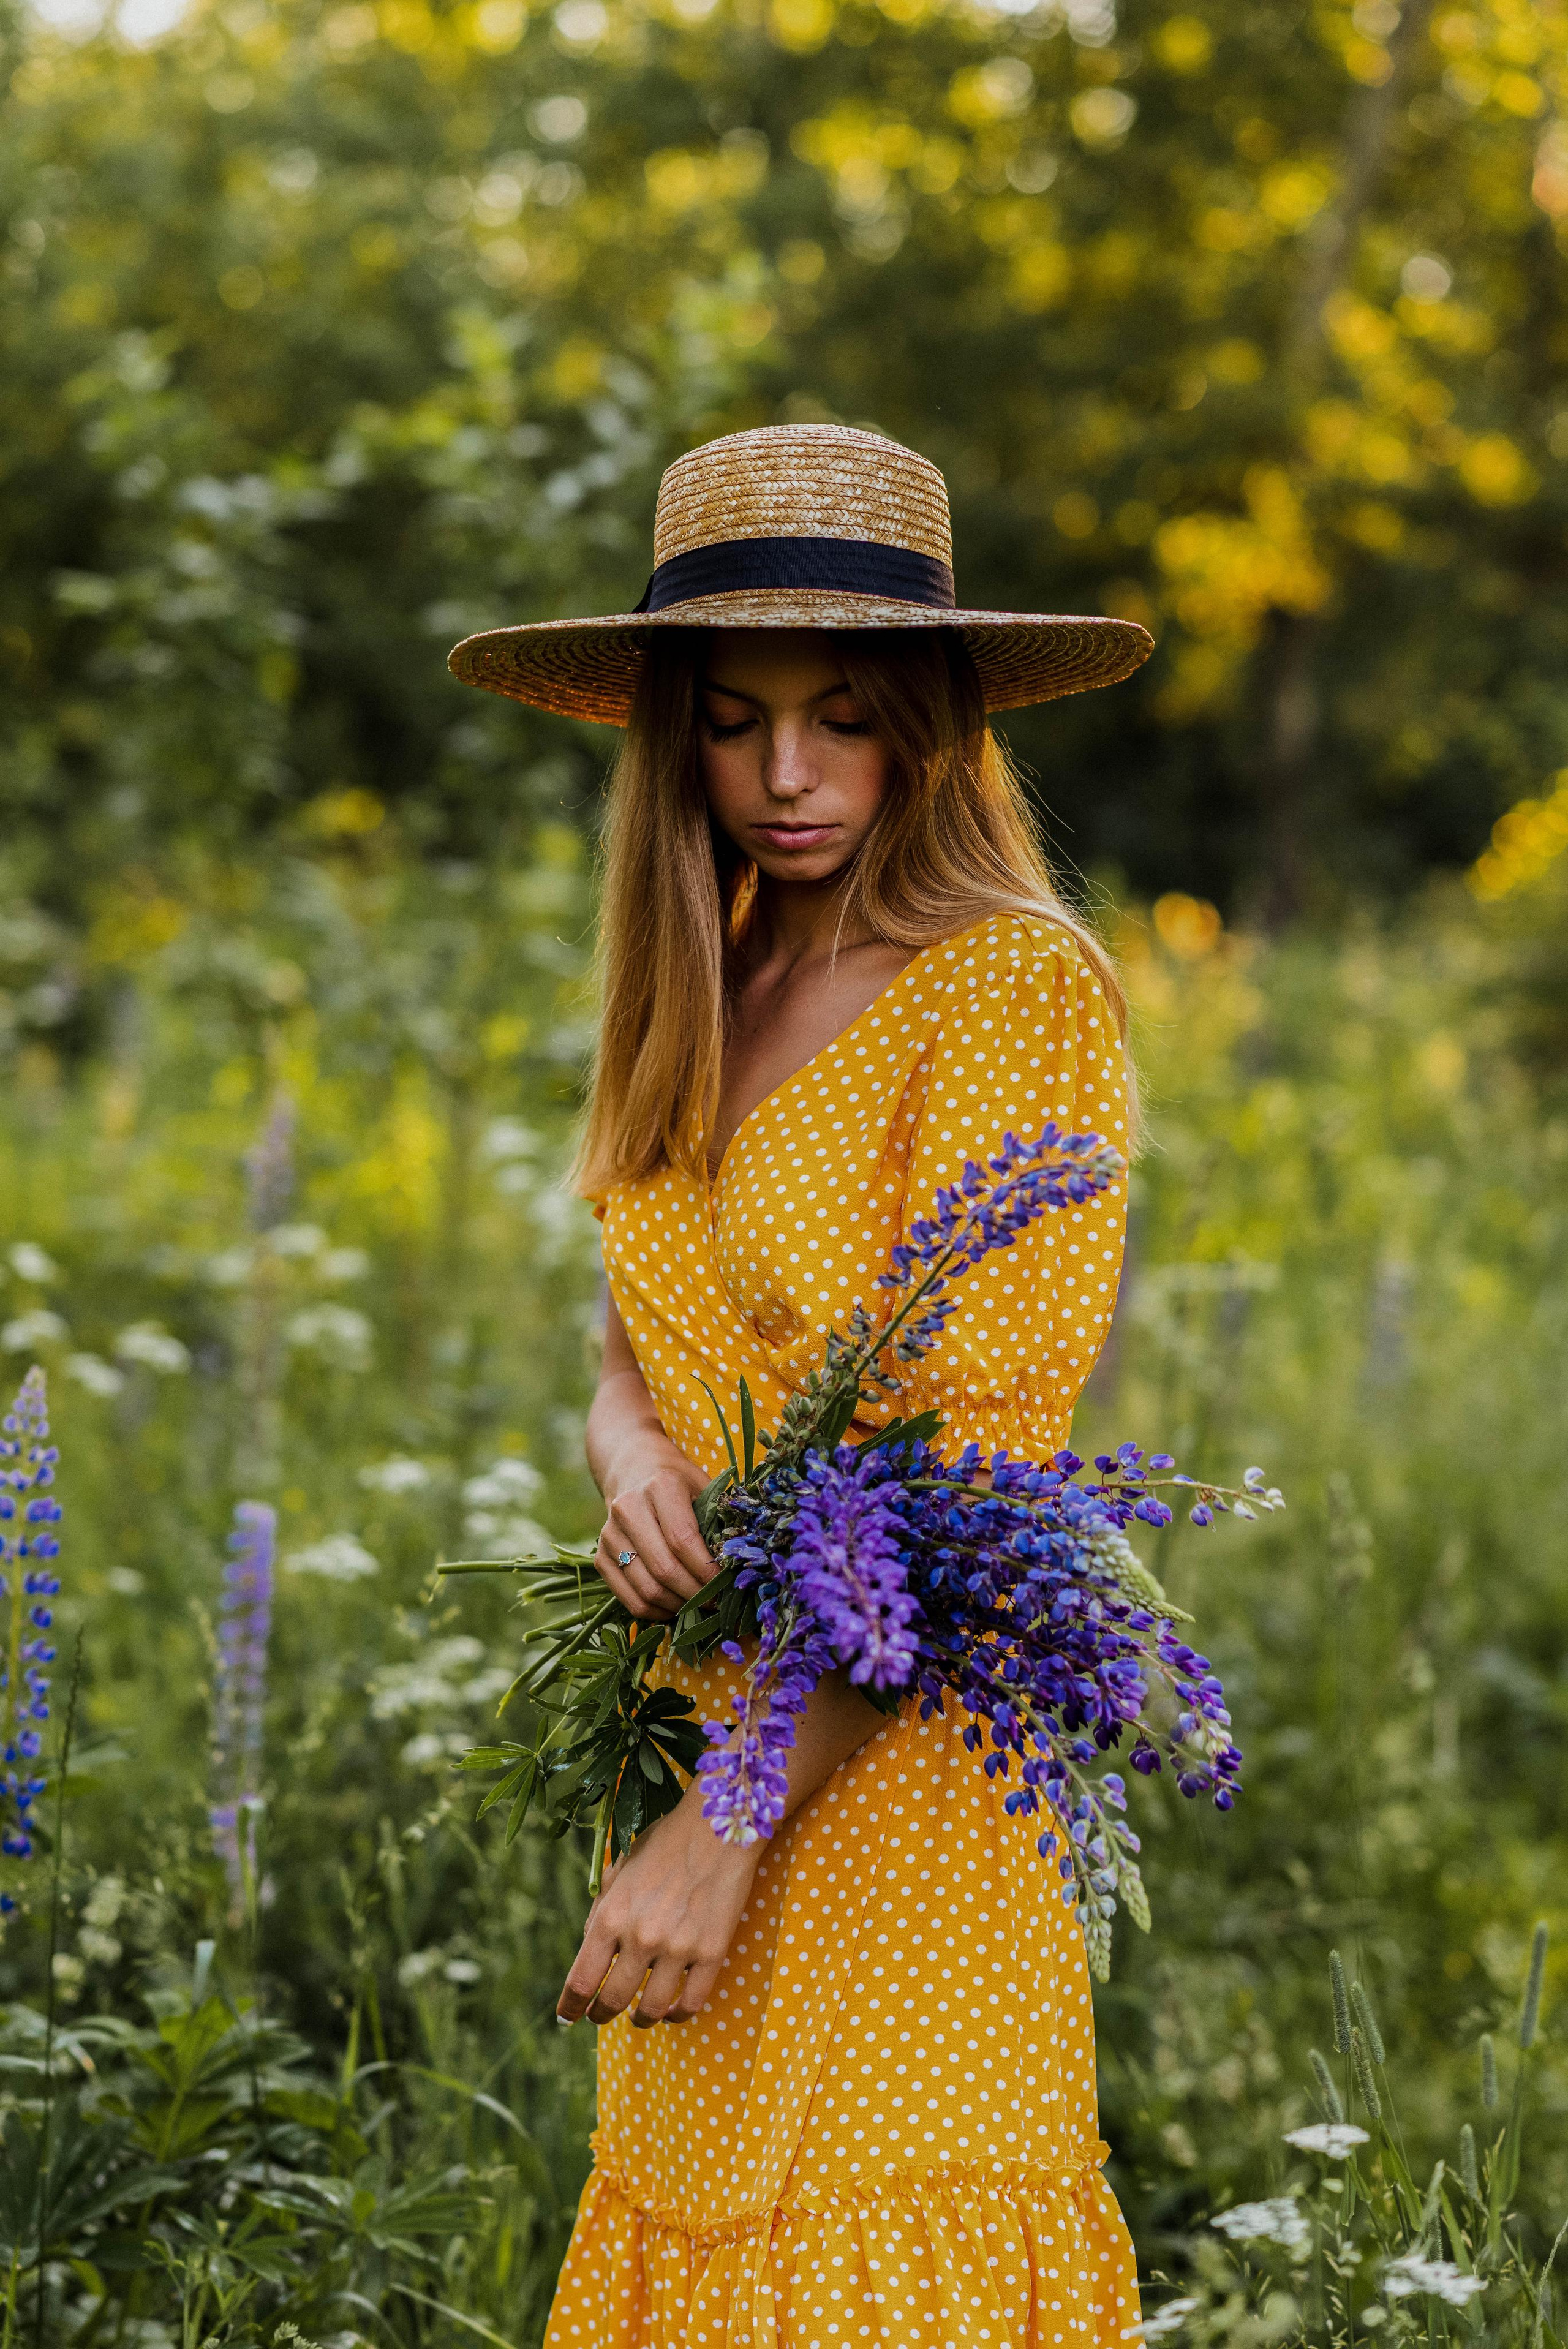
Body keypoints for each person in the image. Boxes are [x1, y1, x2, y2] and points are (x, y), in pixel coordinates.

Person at [449, 423, 1152, 2348]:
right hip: (705, 1753)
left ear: (929, 716)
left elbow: (971, 1495)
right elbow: (628, 1351)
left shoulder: (1005, 988)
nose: (784, 775)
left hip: (891, 1789)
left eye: (841, 716)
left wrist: (719, 1830)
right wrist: (632, 1463)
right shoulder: (707, 968)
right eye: (734, 720)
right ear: (668, 730)